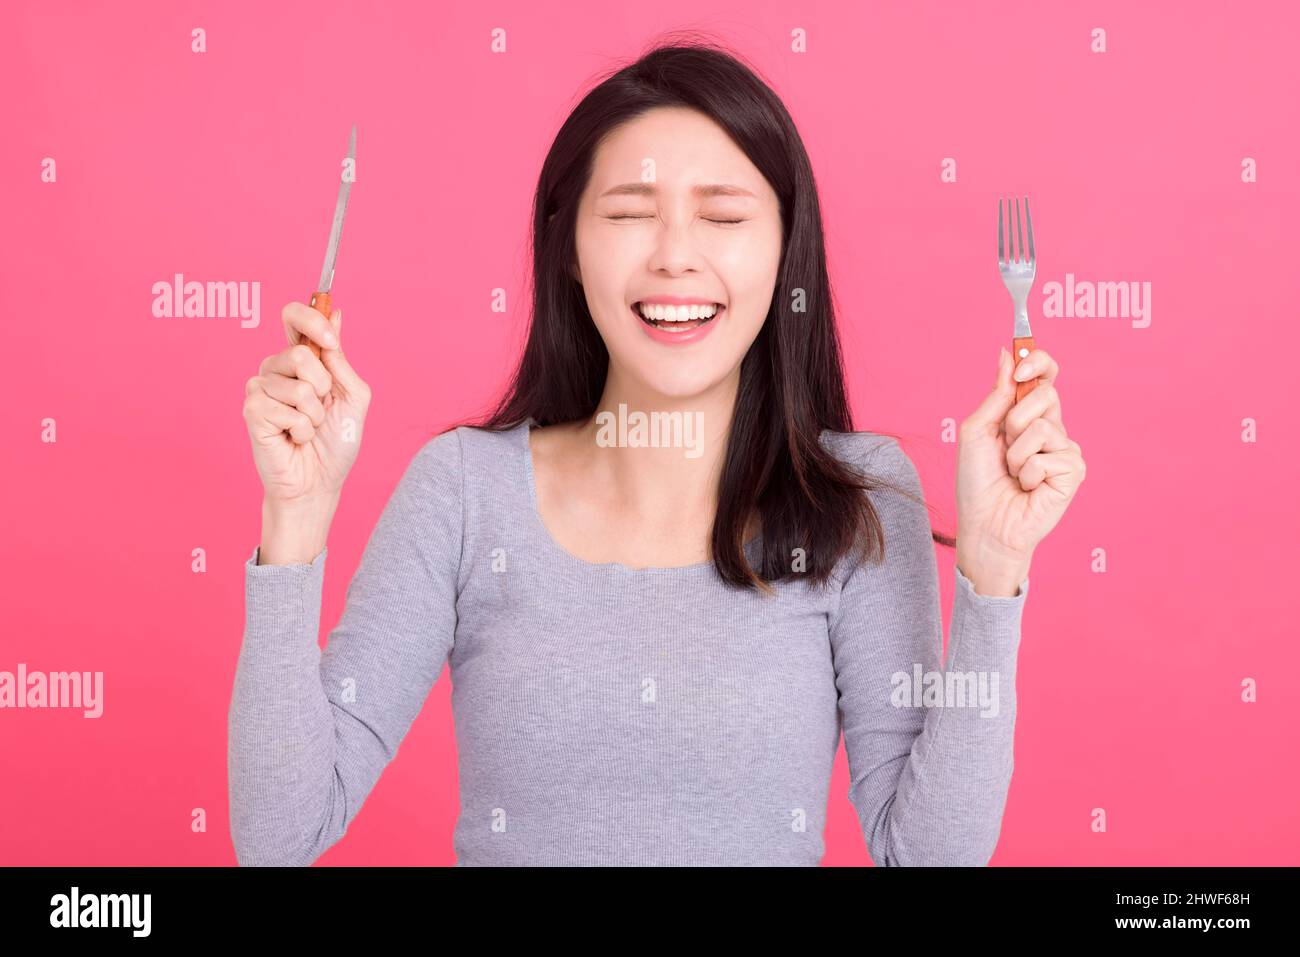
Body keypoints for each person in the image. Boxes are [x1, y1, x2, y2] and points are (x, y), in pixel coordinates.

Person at [230, 40, 1086, 866]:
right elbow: (280, 834)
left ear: (788, 247)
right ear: (567, 247)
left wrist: (996, 568)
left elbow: (928, 854)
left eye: (723, 215)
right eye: (631, 214)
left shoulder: (857, 498)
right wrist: (296, 515)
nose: (676, 255)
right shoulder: (464, 491)